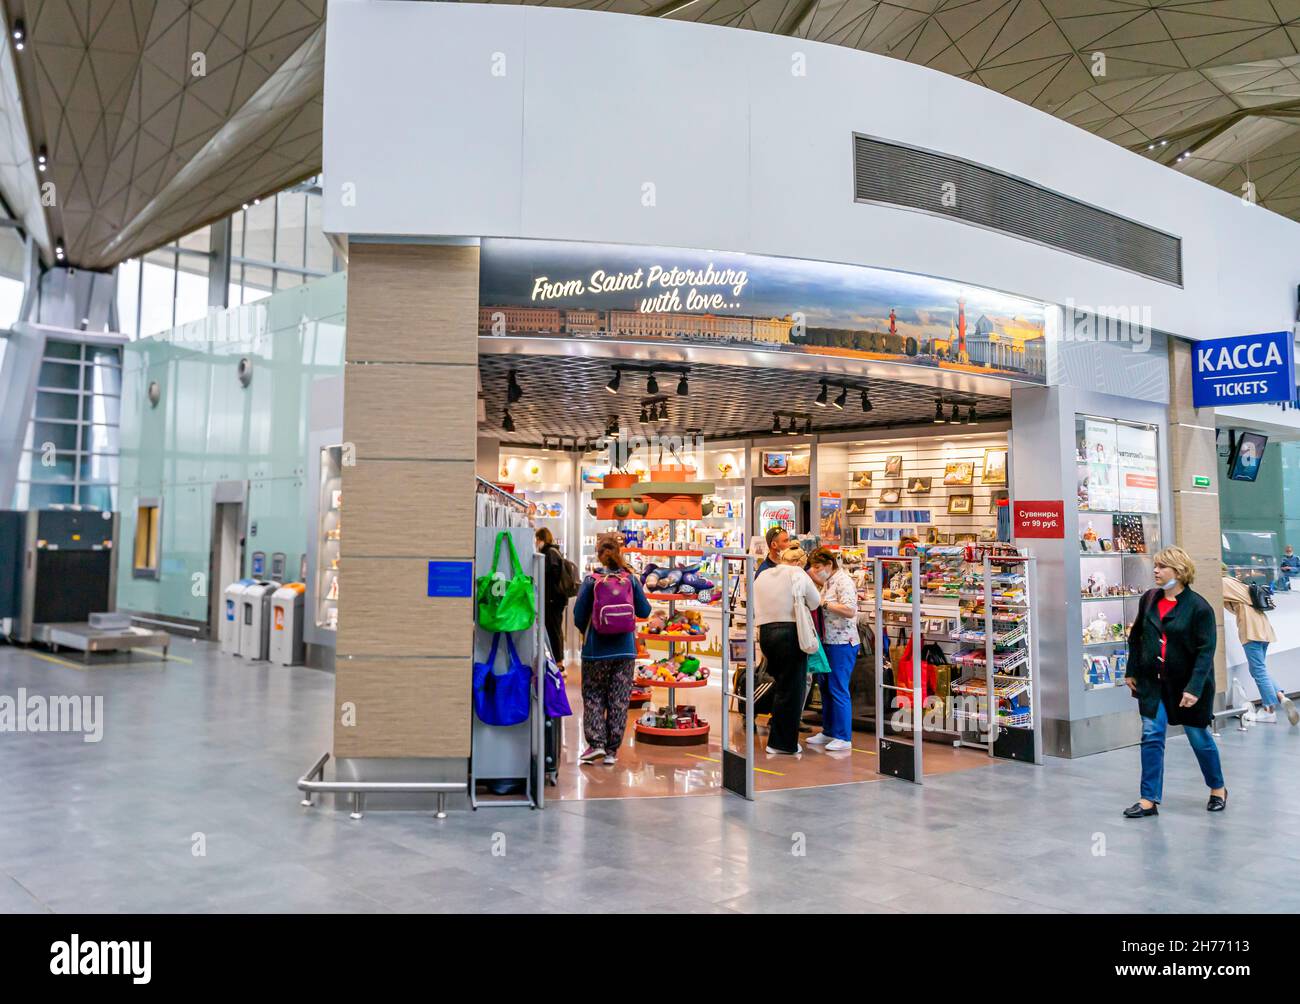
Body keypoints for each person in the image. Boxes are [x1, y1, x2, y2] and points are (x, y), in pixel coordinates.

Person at [1123, 547, 1227, 818]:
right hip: (1152, 684)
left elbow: (1206, 652)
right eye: (1155, 566)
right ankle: (1148, 799)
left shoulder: (1199, 608)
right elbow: (1136, 638)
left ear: (1179, 572)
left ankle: (1217, 788)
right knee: (1151, 736)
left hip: (1188, 686)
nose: (1155, 571)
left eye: (1162, 567)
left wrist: (1194, 688)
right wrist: (1131, 670)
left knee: (1199, 737)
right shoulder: (1149, 599)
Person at [571, 538, 651, 766]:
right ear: (619, 553)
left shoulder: (591, 580)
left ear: (598, 555)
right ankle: (611, 751)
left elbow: (578, 616)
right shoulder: (631, 579)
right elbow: (645, 610)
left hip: (596, 650)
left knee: (594, 695)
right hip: (625, 650)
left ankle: (595, 743)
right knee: (619, 699)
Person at [752, 543, 822, 755]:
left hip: (766, 633)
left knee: (781, 685)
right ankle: (783, 743)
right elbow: (815, 602)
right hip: (790, 633)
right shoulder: (797, 573)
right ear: (799, 562)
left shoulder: (762, 575)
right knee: (793, 689)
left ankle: (778, 738)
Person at [1222, 571, 1297, 726]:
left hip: (1251, 630)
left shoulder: (1223, 583)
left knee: (1258, 671)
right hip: (1263, 628)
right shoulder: (1239, 584)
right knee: (1259, 669)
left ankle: (1269, 711)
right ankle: (1281, 697)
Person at [806, 547, 858, 752]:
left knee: (838, 688)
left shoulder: (844, 582)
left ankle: (843, 736)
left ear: (829, 564)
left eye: (818, 566)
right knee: (825, 688)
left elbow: (850, 610)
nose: (816, 570)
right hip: (828, 641)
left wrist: (825, 604)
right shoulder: (828, 581)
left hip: (843, 643)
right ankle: (828, 730)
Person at [535, 527, 567, 666]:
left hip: (553, 599)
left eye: (537, 539)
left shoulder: (549, 553)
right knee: (554, 629)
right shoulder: (553, 551)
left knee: (553, 629)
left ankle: (558, 662)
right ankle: (558, 660)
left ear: (541, 539)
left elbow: (550, 575)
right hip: (556, 598)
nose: (536, 542)